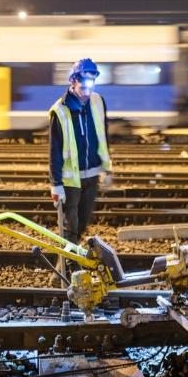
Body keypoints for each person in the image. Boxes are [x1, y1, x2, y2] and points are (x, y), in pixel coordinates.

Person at [48, 57, 113, 245]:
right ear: (73, 80)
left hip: (91, 177)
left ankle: (68, 264)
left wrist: (107, 169)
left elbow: (103, 137)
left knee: (82, 224)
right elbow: (54, 151)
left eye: (90, 86)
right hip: (70, 181)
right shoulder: (59, 111)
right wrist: (56, 184)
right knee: (70, 227)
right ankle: (65, 269)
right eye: (83, 86)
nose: (87, 91)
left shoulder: (98, 102)